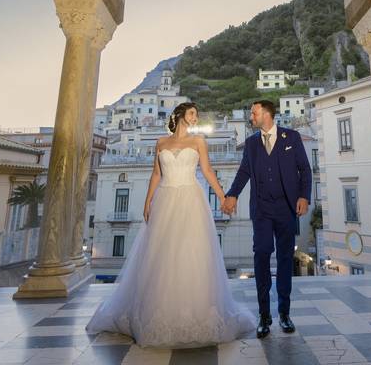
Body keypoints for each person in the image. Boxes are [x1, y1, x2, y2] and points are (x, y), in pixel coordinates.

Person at [85, 102, 256, 348]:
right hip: (165, 197)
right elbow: (156, 174)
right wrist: (147, 201)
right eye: (192, 113)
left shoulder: (198, 142)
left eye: (197, 114)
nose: (196, 117)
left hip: (190, 198)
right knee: (160, 254)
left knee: (190, 252)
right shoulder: (161, 142)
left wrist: (223, 197)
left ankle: (193, 311)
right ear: (180, 116)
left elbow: (207, 171)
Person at [222, 99, 312, 338]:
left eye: (254, 112)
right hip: (261, 209)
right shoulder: (251, 144)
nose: (251, 117)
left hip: (286, 208)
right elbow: (243, 172)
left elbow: (305, 169)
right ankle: (264, 315)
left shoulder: (291, 138)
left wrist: (304, 196)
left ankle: (284, 313)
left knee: (284, 260)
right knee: (261, 254)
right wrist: (232, 195)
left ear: (267, 114)